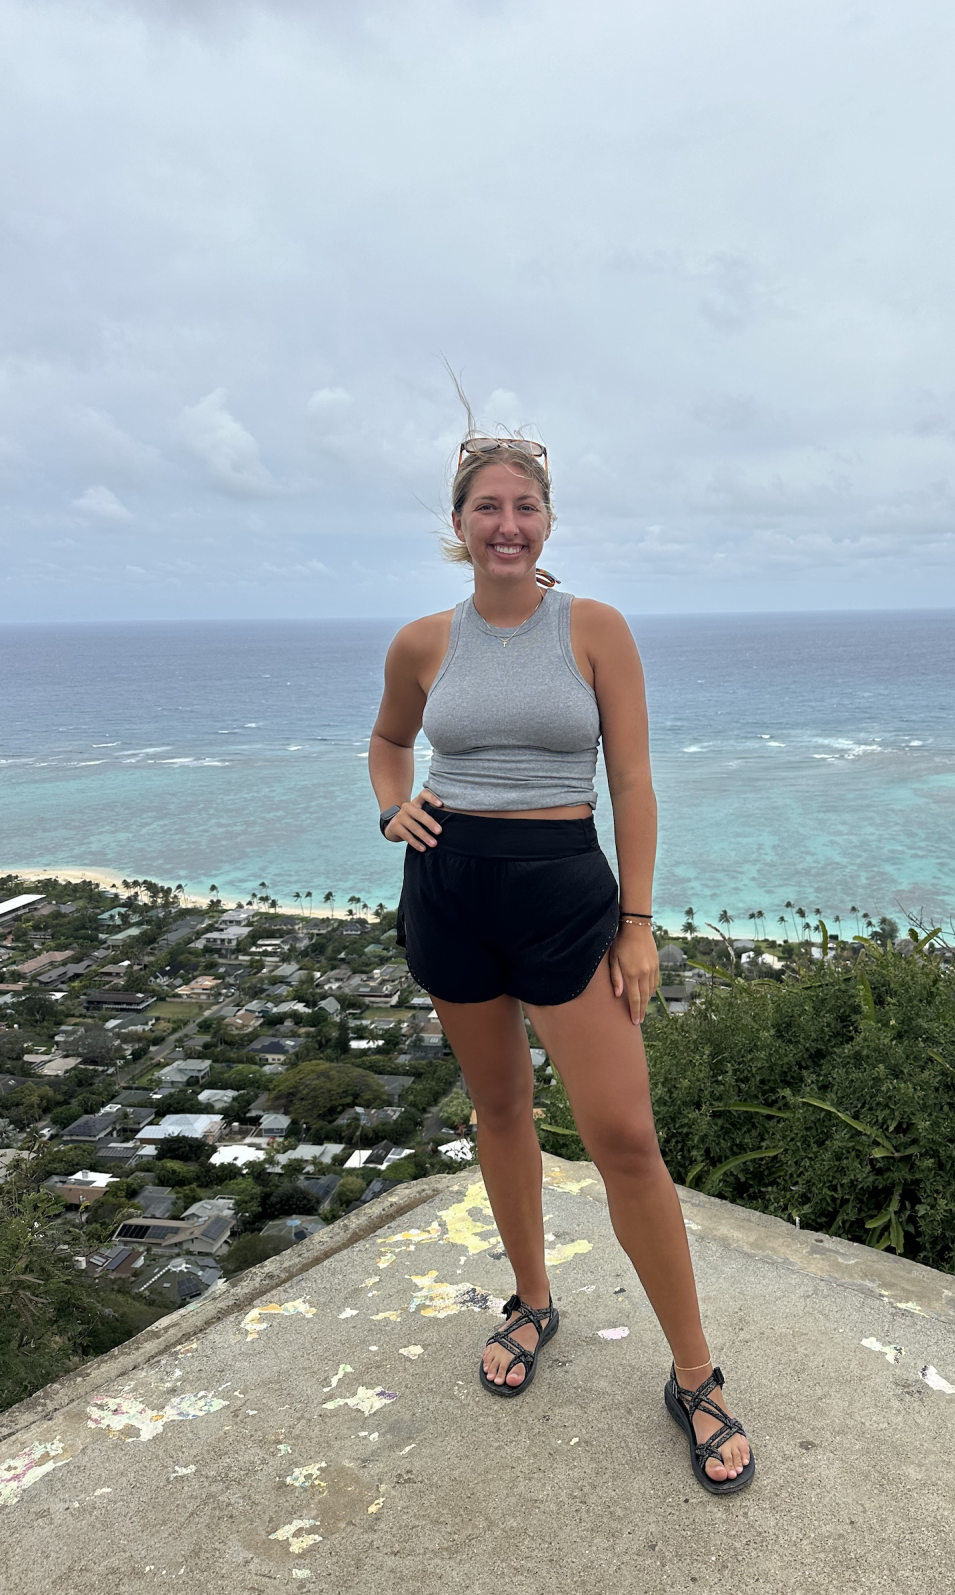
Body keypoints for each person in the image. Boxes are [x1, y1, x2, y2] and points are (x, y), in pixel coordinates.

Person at [368, 433, 753, 1494]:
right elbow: (389, 741)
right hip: (450, 892)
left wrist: (637, 919)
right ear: (459, 525)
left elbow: (630, 779)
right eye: (486, 506)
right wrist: (389, 803)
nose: (506, 523)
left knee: (626, 1137)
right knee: (498, 1109)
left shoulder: (593, 628)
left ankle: (695, 1372)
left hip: (564, 896)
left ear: (546, 519)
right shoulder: (419, 642)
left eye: (524, 506)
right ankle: (532, 1300)